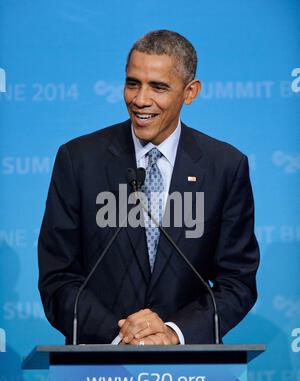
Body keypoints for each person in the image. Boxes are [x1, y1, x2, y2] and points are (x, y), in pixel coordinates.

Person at [38, 30, 259, 345]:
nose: (140, 100)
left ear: (190, 91)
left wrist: (173, 333)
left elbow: (237, 282)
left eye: (158, 87)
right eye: (132, 83)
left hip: (193, 375)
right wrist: (120, 336)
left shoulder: (224, 166)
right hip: (96, 369)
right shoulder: (78, 160)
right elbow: (58, 277)